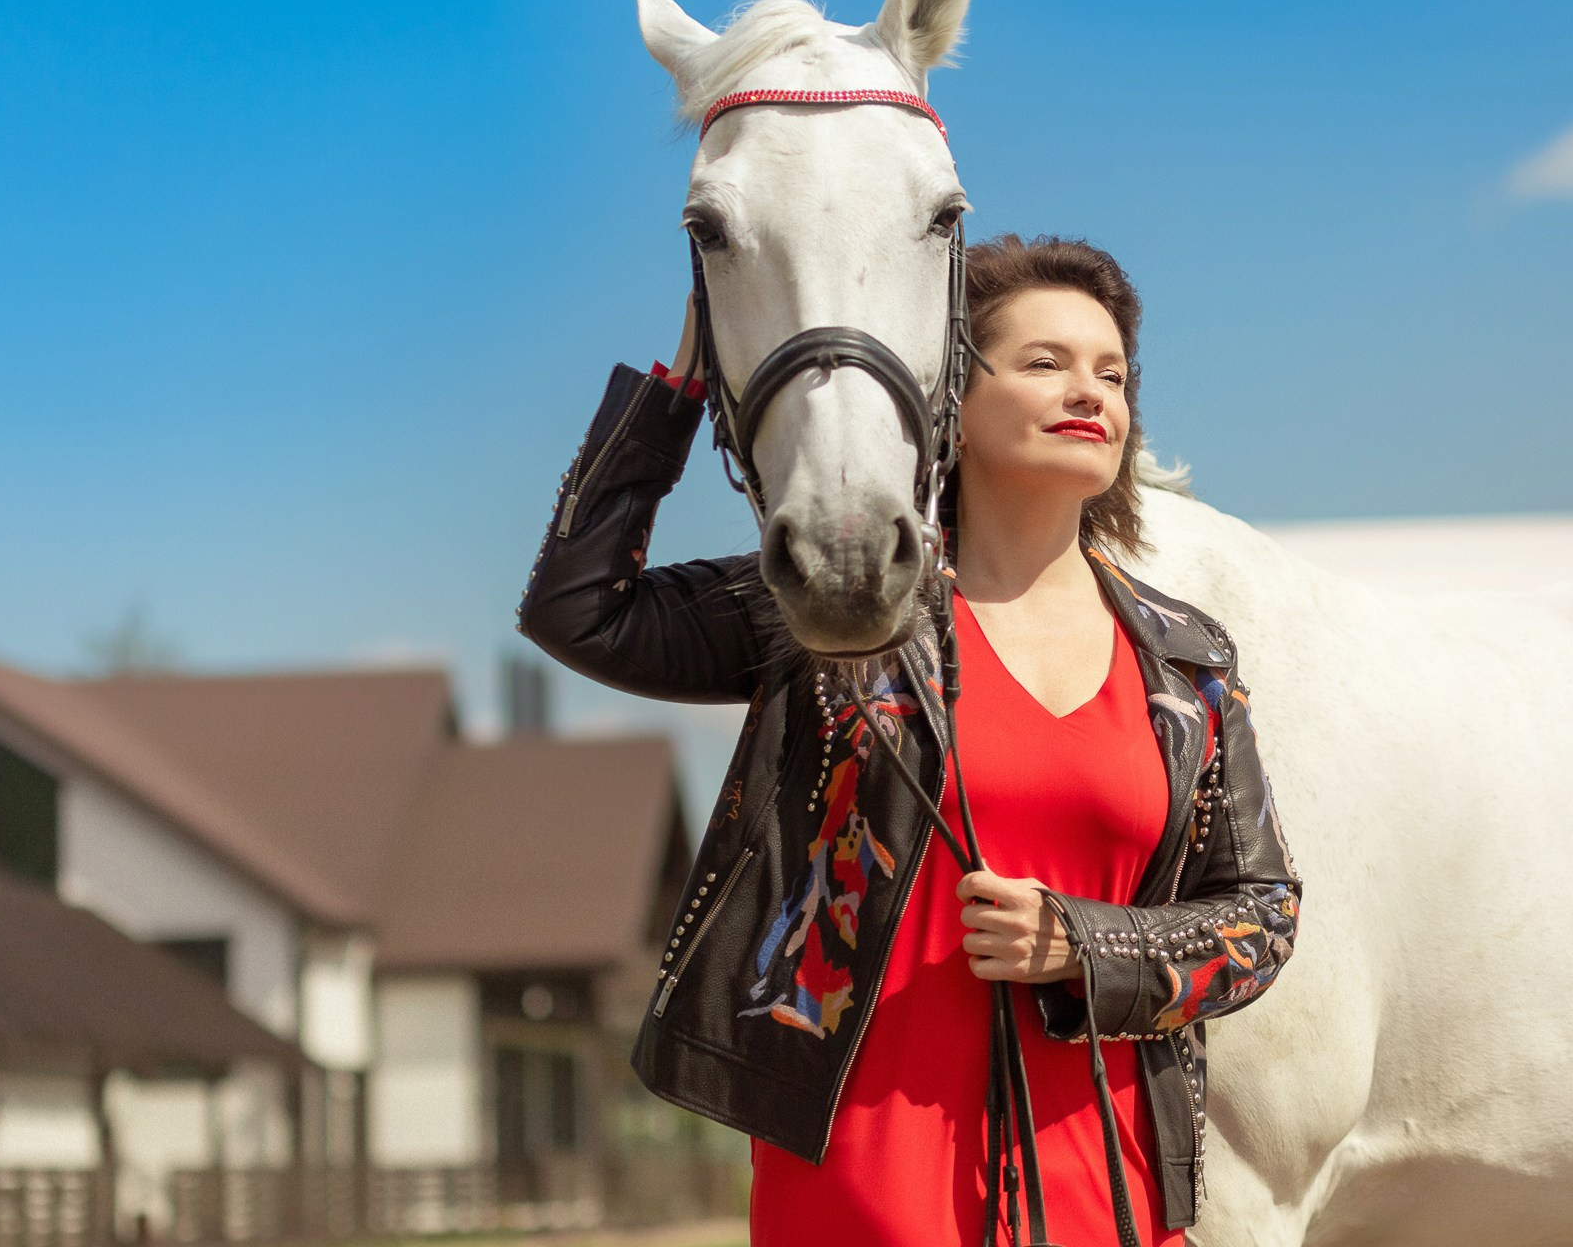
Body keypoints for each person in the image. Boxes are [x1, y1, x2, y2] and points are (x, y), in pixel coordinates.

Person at [517, 233, 1301, 1244]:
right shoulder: (839, 616)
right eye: (1044, 362)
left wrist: (1084, 942)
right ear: (949, 399)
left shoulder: (1185, 663)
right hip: (863, 1181)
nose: (1089, 391)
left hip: (1108, 1184)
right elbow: (581, 606)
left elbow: (1261, 916)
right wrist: (683, 383)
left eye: (1111, 372)